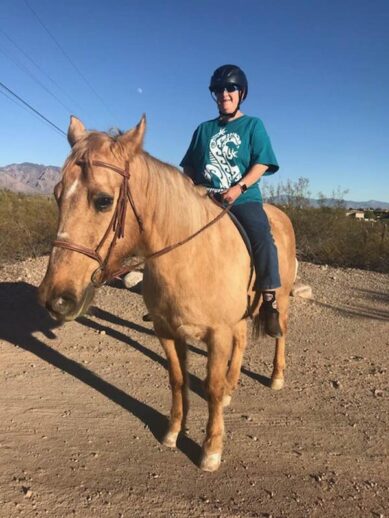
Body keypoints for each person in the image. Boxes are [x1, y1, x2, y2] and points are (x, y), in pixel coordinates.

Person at [180, 64, 282, 338]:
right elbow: (189, 167)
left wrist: (239, 188)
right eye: (218, 90)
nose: (224, 94)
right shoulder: (203, 129)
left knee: (261, 235)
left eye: (230, 88)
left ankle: (269, 301)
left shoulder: (253, 125)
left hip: (242, 198)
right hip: (205, 199)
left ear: (241, 92)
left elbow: (262, 162)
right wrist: (191, 191)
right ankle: (174, 299)